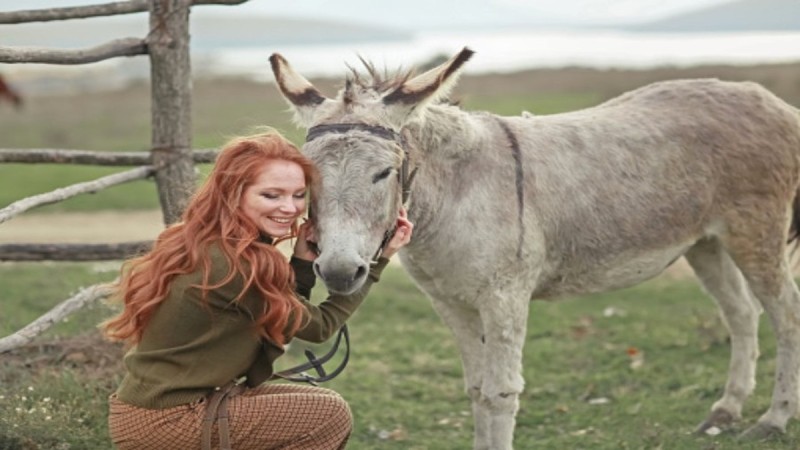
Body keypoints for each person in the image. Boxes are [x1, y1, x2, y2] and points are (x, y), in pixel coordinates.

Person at [101, 131, 413, 450]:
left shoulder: (204, 241)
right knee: (328, 414)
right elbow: (319, 326)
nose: (290, 208)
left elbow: (279, 318)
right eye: (271, 195)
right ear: (234, 194)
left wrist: (302, 263)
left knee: (314, 400)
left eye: (298, 195)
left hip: (147, 410)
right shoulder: (236, 265)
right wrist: (379, 261)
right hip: (168, 421)